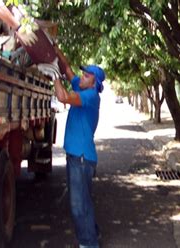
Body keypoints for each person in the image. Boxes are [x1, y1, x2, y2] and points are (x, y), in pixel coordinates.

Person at [51, 46, 104, 248]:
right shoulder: (82, 88)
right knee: (84, 202)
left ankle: (88, 243)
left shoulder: (90, 97)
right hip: (79, 158)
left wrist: (53, 75)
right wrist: (54, 50)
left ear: (94, 83)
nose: (82, 76)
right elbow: (67, 69)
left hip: (81, 159)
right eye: (84, 73)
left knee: (78, 206)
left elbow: (63, 97)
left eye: (87, 75)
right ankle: (93, 235)